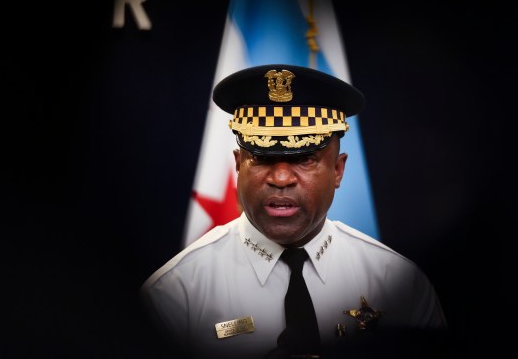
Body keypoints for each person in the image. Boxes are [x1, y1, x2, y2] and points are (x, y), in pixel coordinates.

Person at [140, 64, 448, 359]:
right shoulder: (177, 294)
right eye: (261, 158)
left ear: (338, 170)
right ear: (237, 165)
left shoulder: (400, 284)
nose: (281, 179)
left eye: (304, 158)